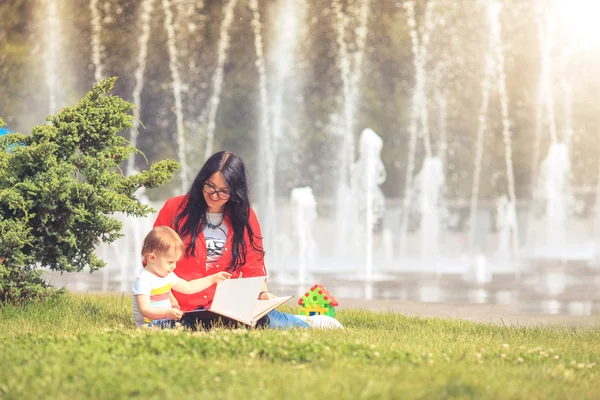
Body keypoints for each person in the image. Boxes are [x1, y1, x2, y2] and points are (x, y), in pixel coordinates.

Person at [154, 151, 339, 329]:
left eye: (223, 191)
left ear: (235, 192)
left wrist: (262, 293)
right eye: (209, 186)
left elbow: (254, 264)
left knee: (266, 321)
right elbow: (152, 259)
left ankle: (309, 323)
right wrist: (168, 300)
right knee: (174, 326)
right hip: (181, 307)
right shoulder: (175, 209)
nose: (213, 195)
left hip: (227, 308)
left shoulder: (245, 217)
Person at [132, 225, 231, 328]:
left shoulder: (166, 276)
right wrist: (167, 313)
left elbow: (188, 287)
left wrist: (212, 278)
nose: (174, 266)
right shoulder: (144, 280)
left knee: (195, 317)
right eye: (170, 262)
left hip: (165, 319)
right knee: (188, 322)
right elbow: (145, 310)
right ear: (152, 257)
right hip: (149, 324)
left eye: (175, 262)